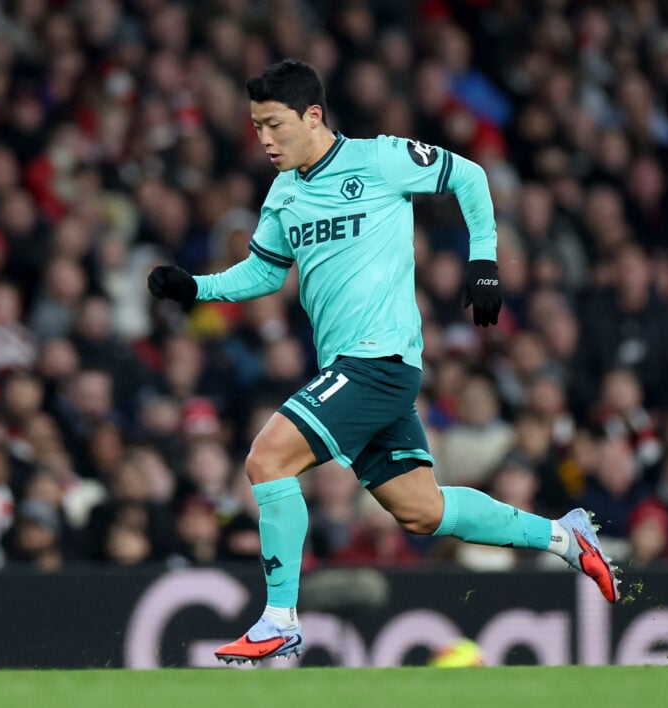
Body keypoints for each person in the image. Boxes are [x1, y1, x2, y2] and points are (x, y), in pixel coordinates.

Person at [147, 59, 620, 665]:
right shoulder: (284, 193)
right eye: (257, 126)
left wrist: (483, 260)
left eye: (273, 124)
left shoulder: (379, 159)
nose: (263, 139)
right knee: (422, 511)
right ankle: (564, 536)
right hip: (351, 370)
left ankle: (278, 619)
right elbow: (264, 272)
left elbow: (470, 175)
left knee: (267, 459)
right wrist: (197, 288)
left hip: (378, 361)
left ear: (312, 116)